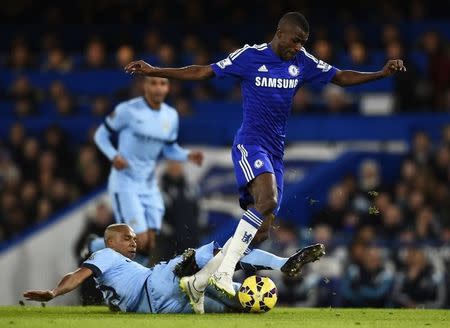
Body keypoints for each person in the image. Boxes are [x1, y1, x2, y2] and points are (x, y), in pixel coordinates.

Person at [125, 11, 406, 296]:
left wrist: (380, 73)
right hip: (250, 142)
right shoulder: (249, 56)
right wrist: (154, 70)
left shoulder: (302, 61)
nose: (298, 47)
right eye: (295, 41)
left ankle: (197, 281)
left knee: (260, 230)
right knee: (267, 199)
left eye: (303, 43)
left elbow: (340, 76)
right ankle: (223, 274)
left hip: (275, 151)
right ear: (280, 33)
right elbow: (203, 71)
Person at [23, 223, 325, 314]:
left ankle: (198, 281)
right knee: (221, 252)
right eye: (127, 238)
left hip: (161, 307)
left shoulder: (119, 268)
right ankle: (283, 264)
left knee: (242, 305)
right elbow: (78, 275)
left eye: (133, 238)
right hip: (157, 283)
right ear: (112, 242)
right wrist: (53, 292)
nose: (133, 242)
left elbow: (115, 298)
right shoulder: (104, 256)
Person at [92, 76, 204, 265]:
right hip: (126, 180)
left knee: (144, 243)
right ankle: (95, 246)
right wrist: (113, 155)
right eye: (153, 83)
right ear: (144, 87)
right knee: (134, 239)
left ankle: (135, 286)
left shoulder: (170, 116)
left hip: (148, 182)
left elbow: (170, 148)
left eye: (163, 84)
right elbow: (101, 135)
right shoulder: (126, 110)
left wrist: (186, 155)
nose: (158, 88)